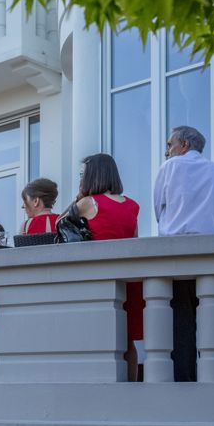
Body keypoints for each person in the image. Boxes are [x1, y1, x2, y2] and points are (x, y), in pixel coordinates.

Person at [153, 126, 214, 382]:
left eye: (170, 145)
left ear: (184, 144)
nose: (167, 152)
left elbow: (159, 209)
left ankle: (185, 383)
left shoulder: (170, 168)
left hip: (178, 255)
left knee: (181, 325)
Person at [74, 153, 141, 381]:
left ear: (92, 175)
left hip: (98, 277)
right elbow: (134, 239)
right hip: (128, 279)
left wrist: (78, 197)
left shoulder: (87, 203)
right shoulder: (132, 205)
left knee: (97, 336)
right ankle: (130, 388)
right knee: (126, 340)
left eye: (83, 174)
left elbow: (60, 227)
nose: (81, 178)